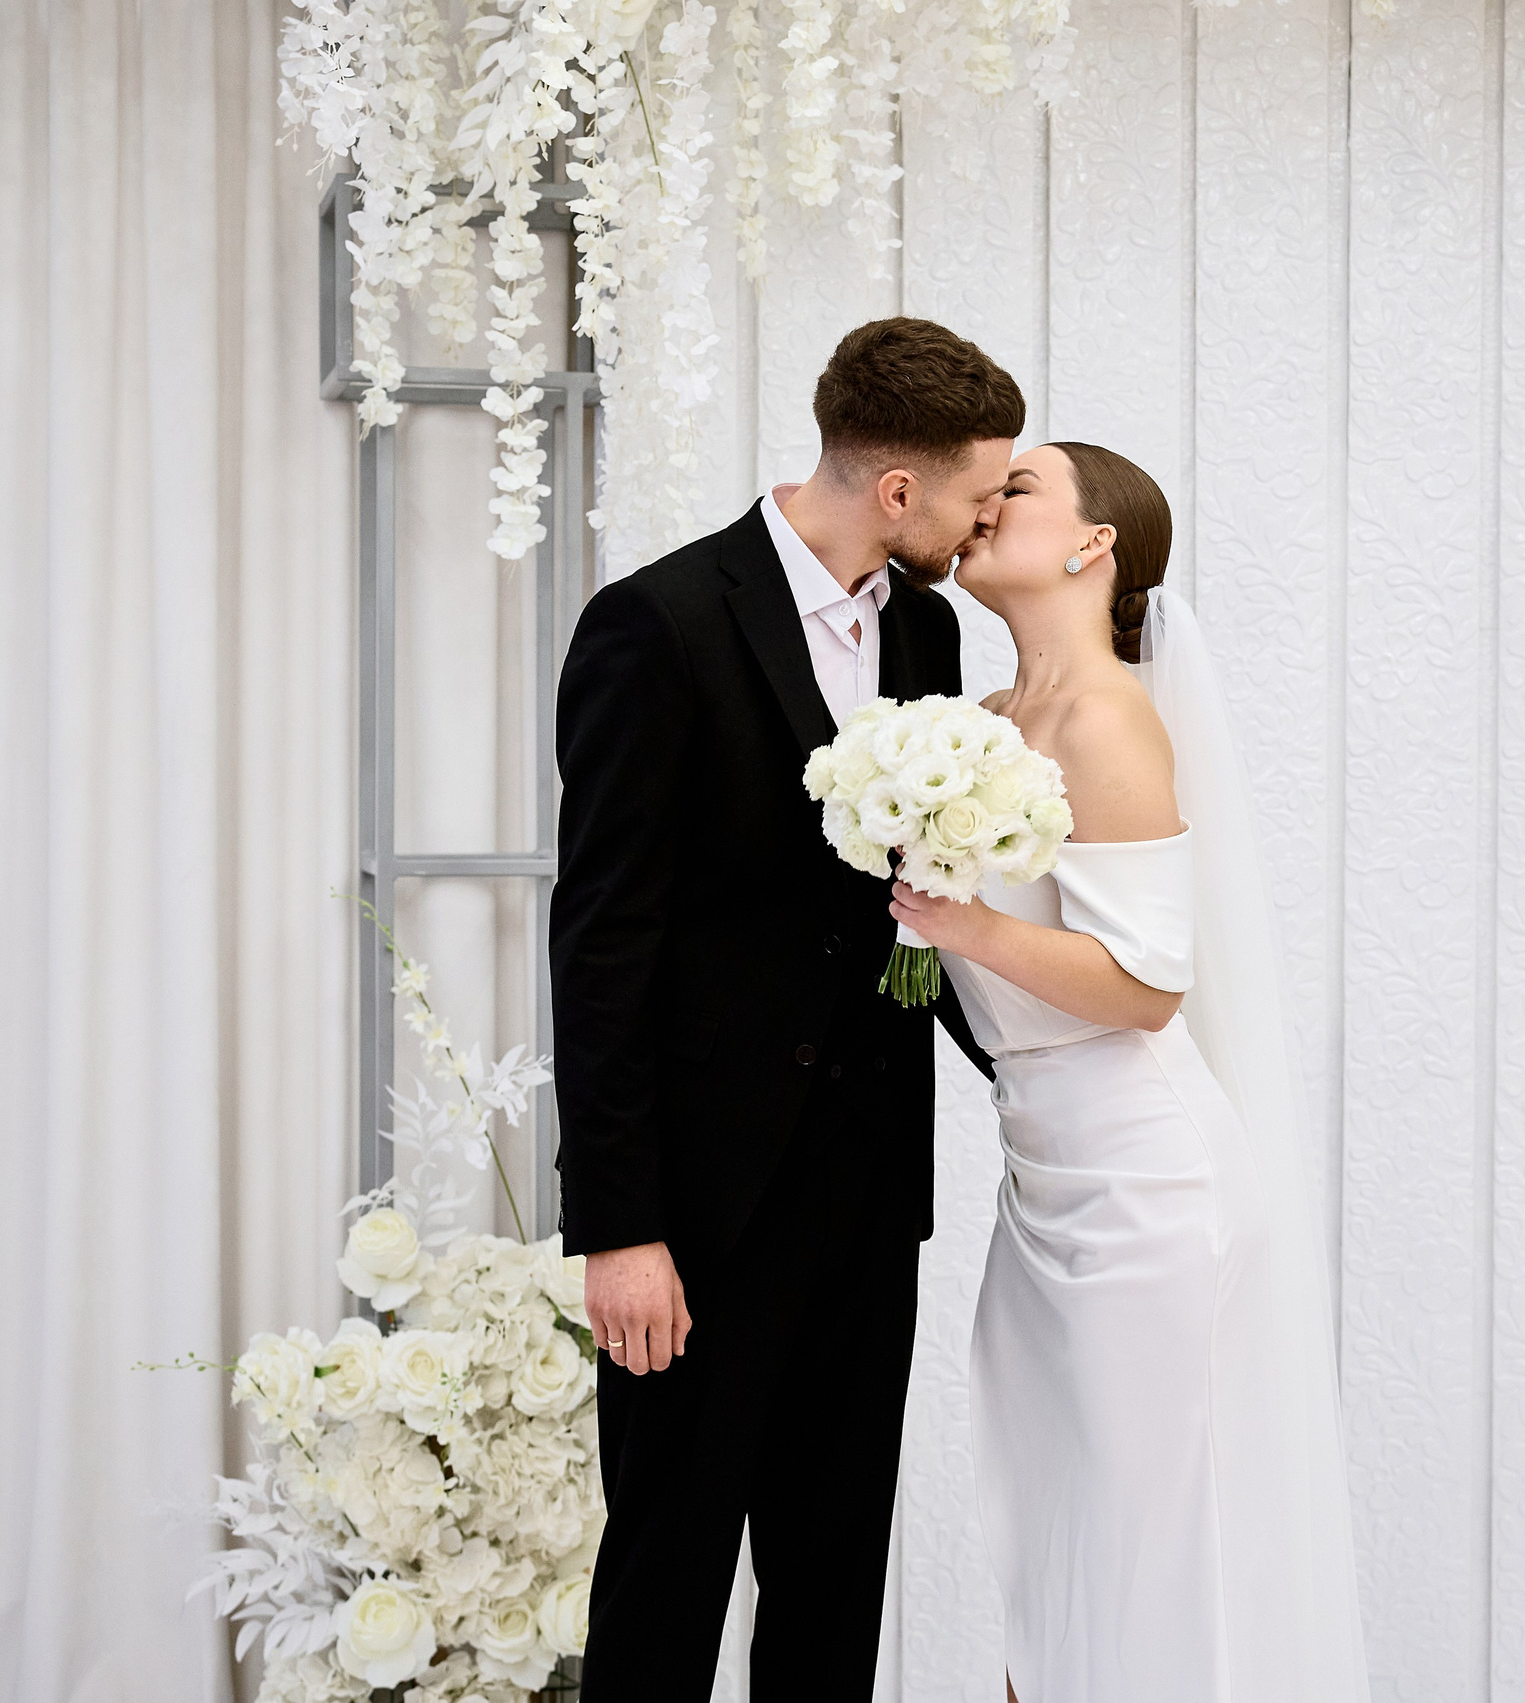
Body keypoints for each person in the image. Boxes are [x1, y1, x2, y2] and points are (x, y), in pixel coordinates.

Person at [550, 317, 1019, 1701]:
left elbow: (909, 910)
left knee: (831, 1588)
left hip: (868, 1201)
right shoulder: (658, 622)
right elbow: (604, 939)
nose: (984, 516)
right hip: (694, 1214)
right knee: (666, 1587)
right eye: (976, 493)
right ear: (897, 491)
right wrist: (621, 1225)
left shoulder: (925, 627)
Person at [890, 442, 1373, 1702]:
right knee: (1051, 1549)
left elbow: (1146, 978)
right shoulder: (981, 728)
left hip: (1144, 1189)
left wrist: (962, 923)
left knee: (1144, 1550)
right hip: (1040, 1183)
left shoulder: (1107, 715)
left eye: (1023, 487)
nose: (987, 501)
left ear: (1093, 547)